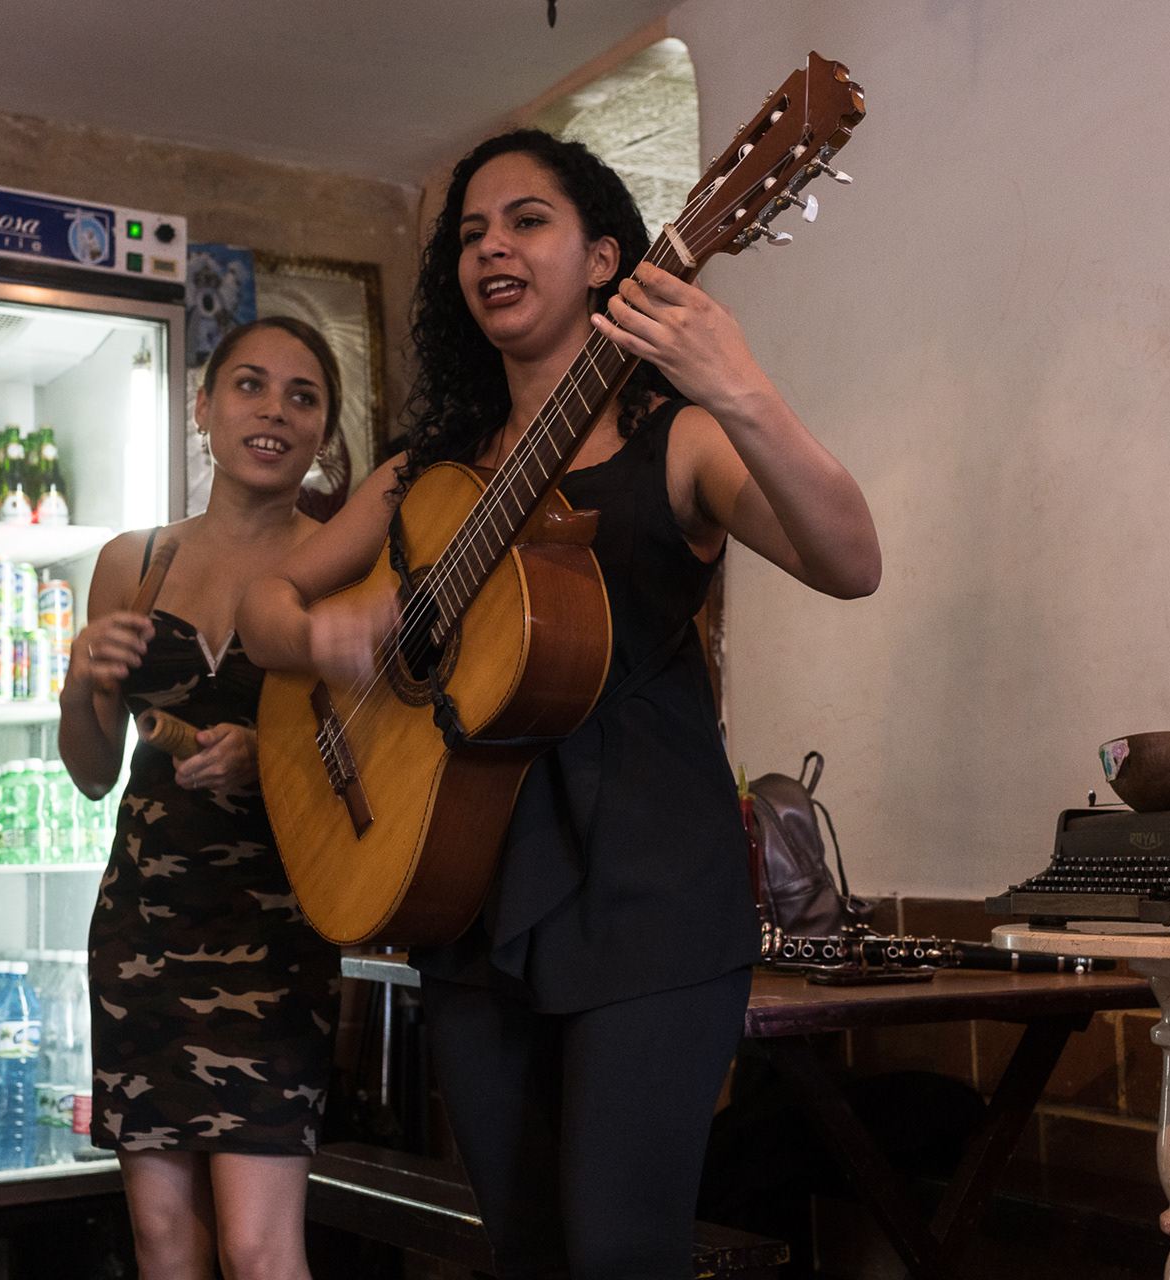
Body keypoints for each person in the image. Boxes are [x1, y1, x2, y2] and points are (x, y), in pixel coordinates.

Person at [239, 129, 880, 1279]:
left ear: (605, 259)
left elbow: (851, 558)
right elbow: (264, 603)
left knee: (621, 1252)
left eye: (526, 219)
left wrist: (737, 384)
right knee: (527, 1254)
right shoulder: (420, 475)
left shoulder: (676, 440)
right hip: (467, 895)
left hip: (649, 893)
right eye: (473, 232)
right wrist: (323, 636)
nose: (492, 246)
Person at [60, 316, 346, 1280]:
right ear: (202, 408)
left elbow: (385, 759)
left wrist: (274, 759)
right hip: (142, 925)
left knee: (262, 1249)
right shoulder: (131, 562)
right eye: (249, 386)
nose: (273, 411)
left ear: (322, 432)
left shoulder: (345, 566)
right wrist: (82, 681)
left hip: (278, 930)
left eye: (302, 396)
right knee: (163, 1241)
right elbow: (93, 772)